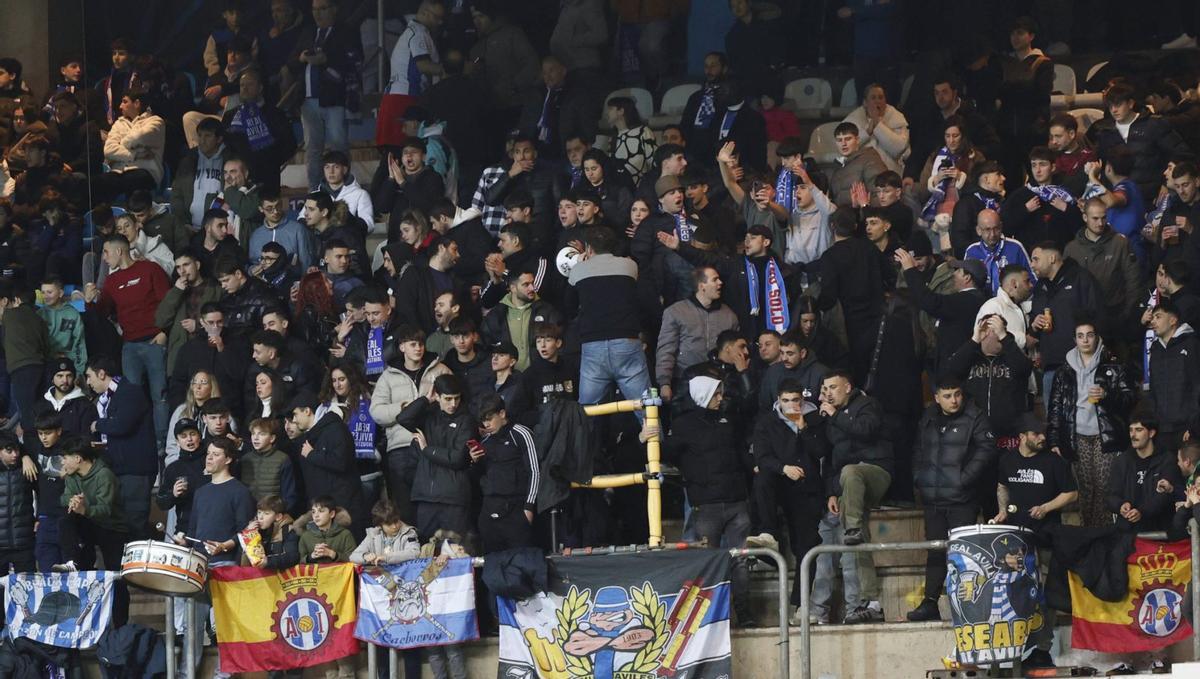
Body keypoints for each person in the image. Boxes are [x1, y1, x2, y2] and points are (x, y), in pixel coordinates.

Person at [661, 374, 756, 626]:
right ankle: (712, 621)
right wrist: (645, 440)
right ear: (702, 394)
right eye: (715, 393)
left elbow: (740, 453)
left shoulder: (729, 421)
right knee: (708, 564)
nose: (720, 398)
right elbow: (666, 452)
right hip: (707, 505)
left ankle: (744, 614)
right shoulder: (683, 424)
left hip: (736, 501)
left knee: (740, 562)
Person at [907, 378, 996, 622]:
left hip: (962, 499)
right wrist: (919, 478)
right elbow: (918, 450)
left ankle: (968, 605)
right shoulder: (928, 417)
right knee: (935, 551)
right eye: (947, 396)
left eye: (957, 394)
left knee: (964, 554)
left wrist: (963, 479)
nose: (954, 400)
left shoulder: (975, 416)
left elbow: (987, 448)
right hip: (933, 498)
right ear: (936, 397)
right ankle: (930, 603)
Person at [991, 412, 1075, 669]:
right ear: (1021, 437)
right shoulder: (1007, 460)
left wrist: (1047, 507)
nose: (1041, 437)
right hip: (1017, 539)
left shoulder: (1054, 462)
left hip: (1048, 537)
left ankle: (1042, 647)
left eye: (1043, 433)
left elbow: (1071, 494)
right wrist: (1002, 510)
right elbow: (1002, 486)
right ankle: (1016, 646)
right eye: (1036, 433)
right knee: (1016, 594)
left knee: (1046, 596)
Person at [750, 379, 827, 623]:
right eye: (786, 401)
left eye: (796, 401)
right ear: (778, 401)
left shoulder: (815, 420)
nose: (791, 406)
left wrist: (804, 428)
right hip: (779, 486)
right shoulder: (767, 422)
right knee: (762, 477)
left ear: (802, 401)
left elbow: (822, 451)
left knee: (807, 547)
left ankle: (799, 605)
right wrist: (784, 468)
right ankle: (768, 532)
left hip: (807, 492)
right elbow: (762, 457)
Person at [84, 236, 170, 451]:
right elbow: (101, 315)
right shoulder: (112, 282)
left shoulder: (150, 269)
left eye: (105, 252)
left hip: (154, 341)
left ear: (119, 251)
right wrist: (89, 300)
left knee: (159, 396)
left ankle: (162, 446)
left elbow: (170, 303)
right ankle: (138, 443)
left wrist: (165, 332)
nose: (104, 258)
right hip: (129, 345)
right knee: (131, 397)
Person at [1047, 318, 1135, 527]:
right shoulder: (1064, 371)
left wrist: (1107, 394)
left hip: (1105, 433)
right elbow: (1056, 408)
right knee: (1085, 489)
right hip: (1076, 435)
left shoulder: (1113, 367)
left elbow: (1129, 400)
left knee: (1105, 486)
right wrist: (1053, 440)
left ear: (1097, 338)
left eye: (1090, 335)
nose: (1085, 340)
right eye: (1080, 336)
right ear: (1074, 340)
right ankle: (1089, 535)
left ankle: (1105, 537)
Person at [370, 325, 451, 521]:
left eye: (421, 344)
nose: (418, 348)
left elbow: (454, 400)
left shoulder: (440, 370)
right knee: (405, 505)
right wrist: (403, 407)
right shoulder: (388, 376)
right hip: (400, 447)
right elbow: (376, 412)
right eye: (413, 344)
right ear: (402, 347)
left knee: (434, 501)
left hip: (433, 444)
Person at [289, 0, 363, 189]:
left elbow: (354, 59)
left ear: (334, 9)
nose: (318, 13)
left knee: (338, 145)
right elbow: (292, 59)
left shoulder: (346, 31)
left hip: (334, 98)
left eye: (323, 9)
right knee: (313, 149)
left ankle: (344, 188)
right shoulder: (308, 31)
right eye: (314, 9)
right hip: (307, 99)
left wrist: (325, 60)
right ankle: (315, 190)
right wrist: (302, 58)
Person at [54, 437, 129, 618]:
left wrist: (84, 509)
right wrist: (73, 501)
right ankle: (72, 561)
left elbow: (105, 510)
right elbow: (64, 498)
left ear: (78, 458)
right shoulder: (72, 476)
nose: (63, 462)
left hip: (112, 529)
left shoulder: (104, 475)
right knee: (65, 519)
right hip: (89, 524)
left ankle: (120, 625)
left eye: (65, 457)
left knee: (116, 577)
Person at [393, 374, 475, 540]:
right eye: (448, 399)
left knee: (455, 552)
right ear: (437, 396)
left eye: (457, 398)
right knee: (426, 552)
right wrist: (425, 399)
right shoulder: (428, 416)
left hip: (454, 497)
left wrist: (427, 450)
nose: (453, 404)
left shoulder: (466, 420)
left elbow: (458, 458)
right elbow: (403, 418)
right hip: (426, 497)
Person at [84, 356, 157, 538]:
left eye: (89, 376)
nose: (88, 382)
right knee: (120, 527)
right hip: (119, 470)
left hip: (135, 472)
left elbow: (122, 425)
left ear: (101, 374)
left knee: (134, 525)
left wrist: (98, 425)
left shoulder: (130, 392)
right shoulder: (107, 399)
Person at [1091, 81, 1191, 202]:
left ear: (1131, 103)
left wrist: (1166, 183)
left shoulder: (1155, 125)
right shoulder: (1105, 133)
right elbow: (1102, 168)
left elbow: (1181, 153)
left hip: (1152, 196)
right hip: (1118, 198)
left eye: (1118, 104)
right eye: (1110, 105)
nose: (1113, 110)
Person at [1029, 240, 1101, 398]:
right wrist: (1034, 325)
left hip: (1081, 365)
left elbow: (1097, 316)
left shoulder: (1081, 278)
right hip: (1051, 366)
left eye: (1036, 259)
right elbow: (1033, 324)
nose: (1032, 265)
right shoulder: (1040, 287)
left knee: (1081, 417)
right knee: (1053, 420)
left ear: (1052, 258)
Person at [289, 391, 366, 539]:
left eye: (296, 414)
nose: (294, 420)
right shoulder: (308, 438)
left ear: (307, 411)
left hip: (343, 508)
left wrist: (312, 455)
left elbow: (341, 462)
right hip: (322, 511)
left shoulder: (335, 429)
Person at [655, 266, 739, 400]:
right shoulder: (676, 312)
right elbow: (666, 349)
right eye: (715, 279)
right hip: (685, 382)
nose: (720, 283)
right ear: (702, 286)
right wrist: (664, 383)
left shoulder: (729, 315)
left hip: (718, 384)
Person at [897, 250, 988, 372]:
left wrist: (909, 270)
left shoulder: (964, 301)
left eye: (958, 271)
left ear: (967, 278)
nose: (953, 274)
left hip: (957, 370)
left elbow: (929, 301)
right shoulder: (979, 299)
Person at [473, 393, 539, 553]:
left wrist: (529, 507)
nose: (486, 424)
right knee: (494, 565)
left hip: (517, 509)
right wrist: (473, 462)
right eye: (483, 419)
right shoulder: (485, 442)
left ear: (502, 413)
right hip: (490, 511)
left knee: (521, 563)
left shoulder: (522, 434)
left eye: (489, 418)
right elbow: (480, 477)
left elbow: (535, 471)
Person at [1107, 416, 1183, 532]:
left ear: (1151, 433)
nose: (1133, 435)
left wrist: (1142, 512)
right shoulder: (1121, 461)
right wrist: (1120, 505)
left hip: (1159, 529)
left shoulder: (1167, 460)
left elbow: (1165, 496)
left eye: (1138, 430)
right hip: (1127, 530)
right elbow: (1110, 495)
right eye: (1131, 430)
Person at [1147, 300, 1200, 450]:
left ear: (1173, 320)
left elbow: (1197, 386)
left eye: (1158, 317)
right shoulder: (1155, 349)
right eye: (1153, 318)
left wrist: (1194, 425)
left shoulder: (1191, 344)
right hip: (1162, 429)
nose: (1153, 321)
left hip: (1187, 428)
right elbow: (1153, 389)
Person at [1, 285, 50, 437]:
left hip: (21, 369)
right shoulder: (39, 319)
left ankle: (30, 444)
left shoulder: (8, 316)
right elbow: (46, 347)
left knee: (27, 411)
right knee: (37, 408)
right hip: (40, 366)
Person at [156, 418, 208, 540]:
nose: (189, 439)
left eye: (192, 434)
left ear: (199, 437)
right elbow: (161, 503)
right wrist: (173, 494)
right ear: (177, 442)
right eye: (183, 436)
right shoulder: (172, 469)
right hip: (184, 529)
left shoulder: (210, 461)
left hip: (211, 526)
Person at [841, 83, 910, 174]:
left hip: (890, 173)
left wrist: (877, 123)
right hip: (861, 174)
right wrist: (867, 132)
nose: (877, 101)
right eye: (873, 98)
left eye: (881, 97)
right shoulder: (854, 120)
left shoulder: (896, 117)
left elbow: (898, 149)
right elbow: (846, 149)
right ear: (865, 103)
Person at [241, 417, 301, 513]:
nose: (256, 438)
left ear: (272, 438)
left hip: (273, 515)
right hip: (248, 514)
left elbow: (289, 494)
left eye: (261, 434)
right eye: (253, 434)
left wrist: (280, 514)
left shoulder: (283, 459)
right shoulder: (245, 459)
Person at [0, 434, 36, 574]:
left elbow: (43, 493)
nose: (15, 455)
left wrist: (26, 456)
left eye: (17, 450)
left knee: (26, 591)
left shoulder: (27, 468)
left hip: (24, 543)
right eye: (9, 451)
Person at [829, 122, 887, 207]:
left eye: (848, 139)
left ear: (857, 140)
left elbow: (879, 194)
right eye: (839, 140)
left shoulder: (870, 159)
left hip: (864, 216)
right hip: (844, 217)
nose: (843, 144)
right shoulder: (838, 167)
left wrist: (867, 214)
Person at [241, 494, 300, 569]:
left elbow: (293, 557)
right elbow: (245, 561)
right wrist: (249, 534)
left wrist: (268, 561)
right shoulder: (258, 530)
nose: (261, 517)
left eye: (266, 513)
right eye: (259, 512)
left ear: (278, 517)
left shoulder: (289, 530)